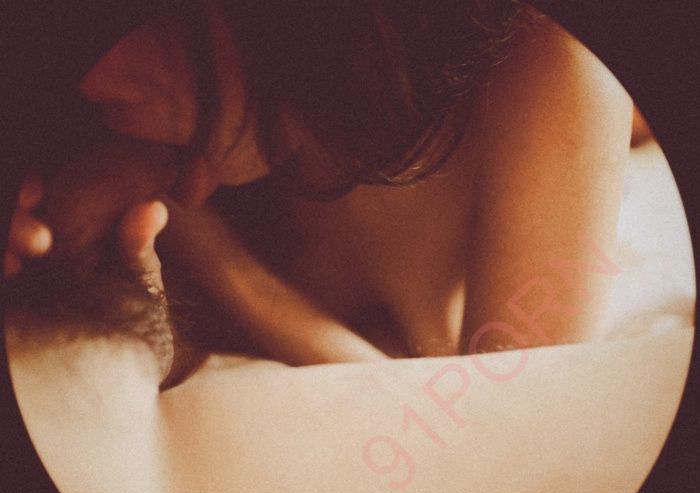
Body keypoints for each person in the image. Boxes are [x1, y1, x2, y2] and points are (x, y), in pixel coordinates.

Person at [5, 0, 642, 366]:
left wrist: (207, 250)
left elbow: (511, 430)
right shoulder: (113, 128)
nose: (95, 78)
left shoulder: (548, 55)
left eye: (164, 18)